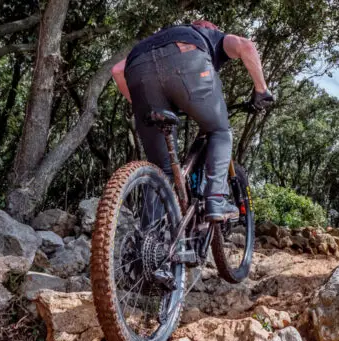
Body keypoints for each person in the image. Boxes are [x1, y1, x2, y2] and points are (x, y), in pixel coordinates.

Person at [112, 20, 274, 222]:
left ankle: (147, 243)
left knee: (162, 171)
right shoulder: (212, 35)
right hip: (187, 62)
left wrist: (143, 104)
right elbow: (246, 46)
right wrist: (261, 90)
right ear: (210, 28)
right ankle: (216, 199)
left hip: (138, 68)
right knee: (219, 131)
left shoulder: (162, 36)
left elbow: (118, 70)